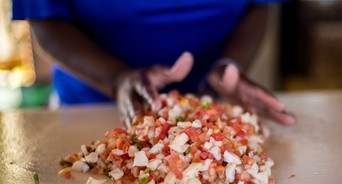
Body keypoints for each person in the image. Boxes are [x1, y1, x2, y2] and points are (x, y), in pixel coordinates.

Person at [12, 0, 295, 125]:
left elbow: (259, 4)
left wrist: (230, 63)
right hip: (90, 108)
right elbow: (45, 20)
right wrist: (117, 77)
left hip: (210, 106)